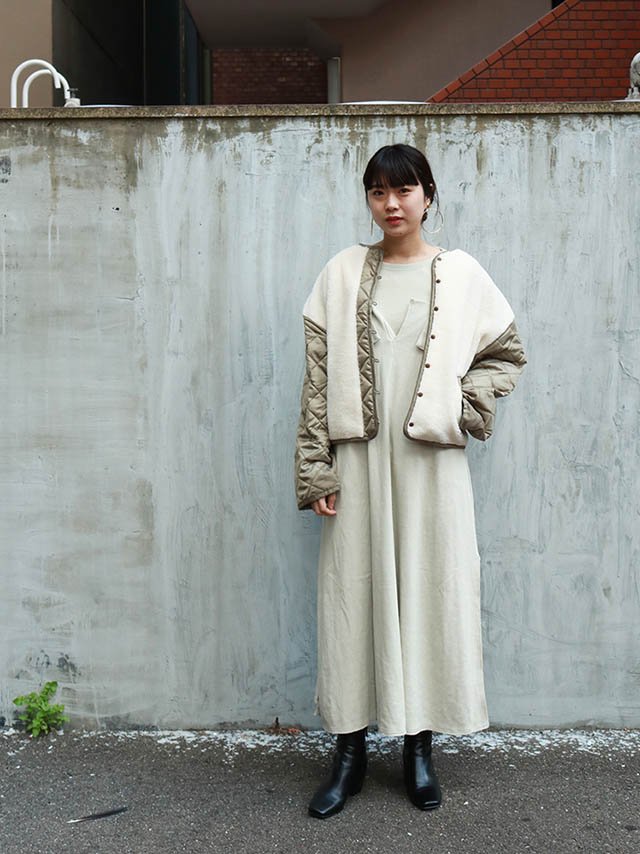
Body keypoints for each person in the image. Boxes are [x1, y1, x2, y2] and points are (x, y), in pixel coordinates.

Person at [294, 143, 526, 819]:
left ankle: (418, 750)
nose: (391, 204)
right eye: (378, 192)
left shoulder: (463, 275)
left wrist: (463, 405)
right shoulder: (340, 274)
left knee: (428, 595)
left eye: (404, 190)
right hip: (358, 466)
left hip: (431, 467)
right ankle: (348, 755)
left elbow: (505, 355)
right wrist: (315, 468)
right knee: (351, 600)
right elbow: (317, 381)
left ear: (428, 195)